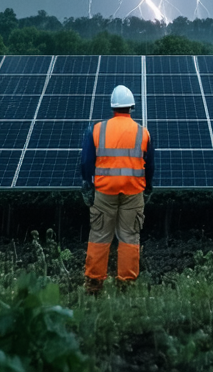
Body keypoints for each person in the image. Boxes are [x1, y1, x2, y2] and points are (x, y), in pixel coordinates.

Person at [79, 84, 154, 294]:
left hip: (104, 192)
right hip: (133, 192)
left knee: (100, 235)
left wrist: (88, 186)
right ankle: (126, 285)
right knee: (130, 237)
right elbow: (150, 165)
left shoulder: (96, 129)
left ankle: (94, 285)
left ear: (113, 107)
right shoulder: (143, 132)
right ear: (131, 107)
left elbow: (86, 162)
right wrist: (147, 188)